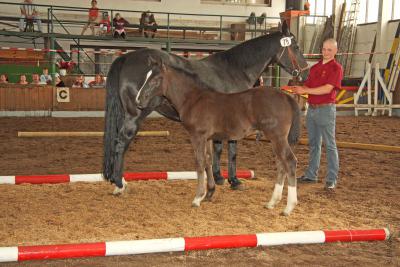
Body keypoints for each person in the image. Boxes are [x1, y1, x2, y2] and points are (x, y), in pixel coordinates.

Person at [292, 38, 343, 190]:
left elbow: (327, 89)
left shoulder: (336, 68)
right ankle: (311, 175)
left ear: (335, 51)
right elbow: (308, 85)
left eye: (329, 50)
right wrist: (298, 87)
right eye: (324, 49)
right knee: (314, 144)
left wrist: (305, 90)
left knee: (330, 145)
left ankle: (331, 178)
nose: (326, 52)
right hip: (312, 109)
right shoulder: (314, 68)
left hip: (326, 110)